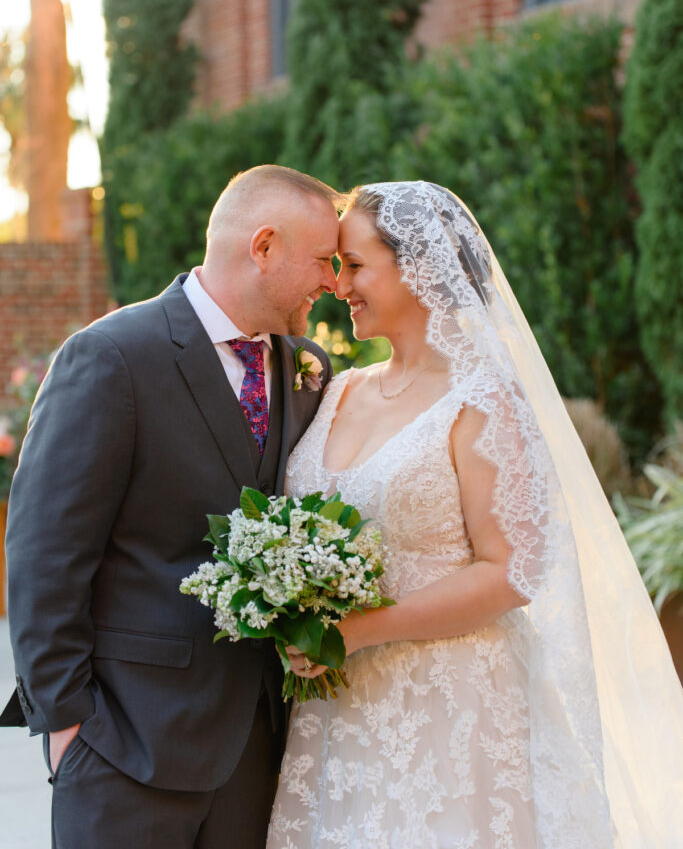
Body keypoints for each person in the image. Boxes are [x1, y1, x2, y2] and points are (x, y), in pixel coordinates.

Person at [267, 180, 683, 849]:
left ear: (420, 268)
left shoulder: (482, 400)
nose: (339, 285)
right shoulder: (335, 389)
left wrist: (358, 632)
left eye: (356, 265)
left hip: (450, 713)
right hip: (336, 716)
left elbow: (511, 571)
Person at [1, 164, 340, 849]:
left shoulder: (309, 370)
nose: (333, 281)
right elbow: (45, 557)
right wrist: (70, 730)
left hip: (258, 753)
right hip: (125, 749)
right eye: (323, 260)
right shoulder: (112, 357)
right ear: (264, 247)